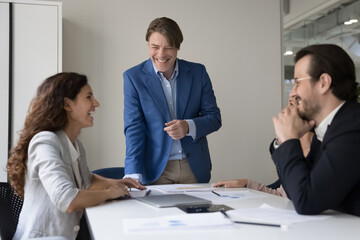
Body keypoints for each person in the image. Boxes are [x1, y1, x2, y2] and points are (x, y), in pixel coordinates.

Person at [6, 72, 145, 240]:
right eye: (89, 97)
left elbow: (86, 181)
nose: (96, 103)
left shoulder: (75, 143)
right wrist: (110, 192)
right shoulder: (45, 142)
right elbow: (67, 199)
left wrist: (117, 183)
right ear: (67, 105)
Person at [123, 17, 221, 185]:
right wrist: (132, 173)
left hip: (194, 168)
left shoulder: (198, 73)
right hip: (155, 170)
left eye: (168, 48)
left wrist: (188, 126)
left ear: (177, 47)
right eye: (155, 47)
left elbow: (214, 118)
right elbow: (134, 128)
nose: (161, 55)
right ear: (148, 45)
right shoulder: (133, 78)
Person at [272, 44, 360, 216]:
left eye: (297, 82)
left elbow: (306, 201)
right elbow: (295, 191)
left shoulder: (352, 128)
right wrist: (284, 140)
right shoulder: (329, 129)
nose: (292, 93)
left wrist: (289, 140)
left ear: (323, 83)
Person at [213, 97, 314, 198]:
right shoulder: (292, 150)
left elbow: (302, 200)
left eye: (292, 105)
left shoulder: (322, 153)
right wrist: (246, 184)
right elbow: (282, 196)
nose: (285, 111)